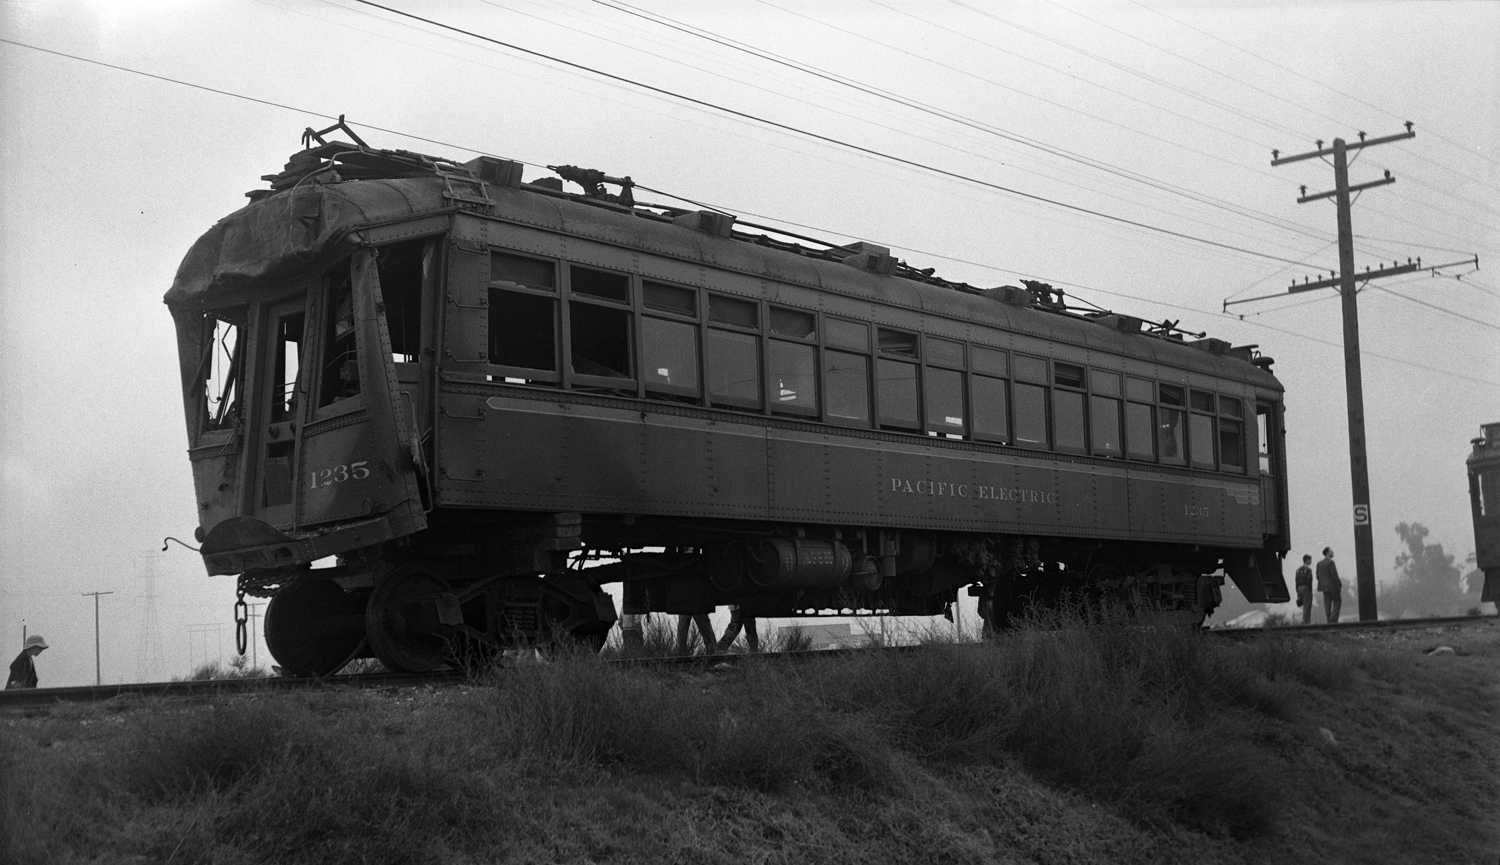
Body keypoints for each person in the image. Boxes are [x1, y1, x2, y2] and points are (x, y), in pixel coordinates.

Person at [1316, 547, 1342, 623]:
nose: (1333, 552)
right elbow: (1334, 575)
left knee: (1327, 605)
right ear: (1327, 552)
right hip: (1333, 587)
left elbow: (1318, 576)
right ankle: (1333, 619)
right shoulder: (1331, 562)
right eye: (1331, 551)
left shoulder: (1319, 563)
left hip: (1324, 588)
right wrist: (1339, 585)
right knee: (1337, 601)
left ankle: (1329, 621)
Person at [1294, 554, 1315, 624]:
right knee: (1307, 606)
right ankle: (1306, 622)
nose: (1311, 561)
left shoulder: (1298, 570)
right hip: (1306, 588)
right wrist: (1310, 591)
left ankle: (1304, 621)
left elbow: (1296, 581)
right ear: (1307, 560)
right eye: (1310, 560)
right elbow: (1309, 581)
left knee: (1304, 606)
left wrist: (1297, 592)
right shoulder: (1308, 570)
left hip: (1299, 588)